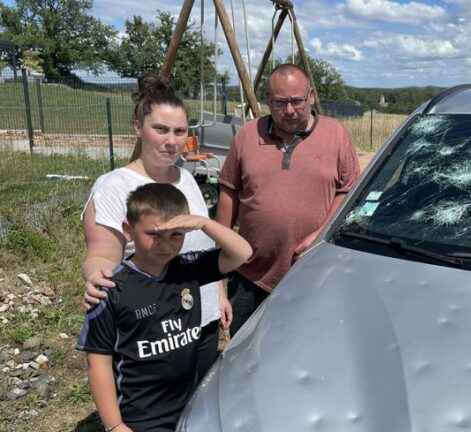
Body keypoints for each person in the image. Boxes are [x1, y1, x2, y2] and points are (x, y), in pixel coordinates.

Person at [76, 183, 252, 432]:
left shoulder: (188, 267)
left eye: (176, 235)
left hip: (191, 404)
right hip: (143, 417)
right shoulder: (110, 289)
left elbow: (242, 253)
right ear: (128, 230)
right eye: (154, 235)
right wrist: (115, 425)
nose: (166, 245)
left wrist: (205, 223)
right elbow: (98, 362)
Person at [81, 74, 231, 336]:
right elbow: (102, 253)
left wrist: (218, 294)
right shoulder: (114, 187)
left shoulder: (186, 178)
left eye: (180, 131)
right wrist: (96, 274)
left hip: (201, 316)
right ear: (138, 127)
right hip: (155, 324)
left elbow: (203, 246)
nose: (172, 141)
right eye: (160, 129)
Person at [217, 64, 360, 335]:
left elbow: (349, 190)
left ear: (311, 97)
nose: (290, 110)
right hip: (251, 275)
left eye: (297, 101)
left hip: (313, 274)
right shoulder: (247, 135)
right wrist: (219, 268)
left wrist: (321, 233)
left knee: (304, 348)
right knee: (244, 352)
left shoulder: (335, 134)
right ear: (268, 101)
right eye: (280, 103)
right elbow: (228, 192)